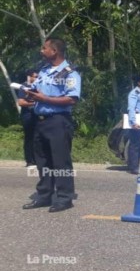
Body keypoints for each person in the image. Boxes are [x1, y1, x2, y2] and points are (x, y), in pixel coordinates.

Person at [22, 37, 81, 213]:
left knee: (60, 161)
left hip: (58, 121)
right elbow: (41, 92)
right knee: (42, 161)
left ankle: (64, 198)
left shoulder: (70, 73)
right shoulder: (44, 71)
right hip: (40, 121)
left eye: (44, 48)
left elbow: (72, 99)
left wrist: (44, 99)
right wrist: (33, 95)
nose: (41, 51)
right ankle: (44, 195)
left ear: (54, 51)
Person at [17, 68, 38, 168]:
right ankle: (29, 160)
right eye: (35, 77)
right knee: (29, 137)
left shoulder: (38, 87)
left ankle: (37, 159)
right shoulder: (24, 87)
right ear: (30, 77)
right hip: (27, 116)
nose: (37, 78)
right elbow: (21, 102)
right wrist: (34, 103)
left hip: (37, 115)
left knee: (37, 138)